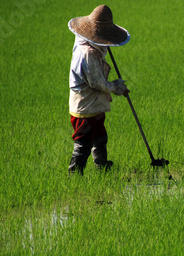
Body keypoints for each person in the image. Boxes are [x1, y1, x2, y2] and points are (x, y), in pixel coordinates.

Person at [67, 5, 130, 175]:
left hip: (95, 103)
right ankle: (74, 173)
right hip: (86, 104)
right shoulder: (87, 52)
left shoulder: (89, 44)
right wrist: (117, 87)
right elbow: (97, 83)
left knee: (100, 136)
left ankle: (102, 167)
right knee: (84, 141)